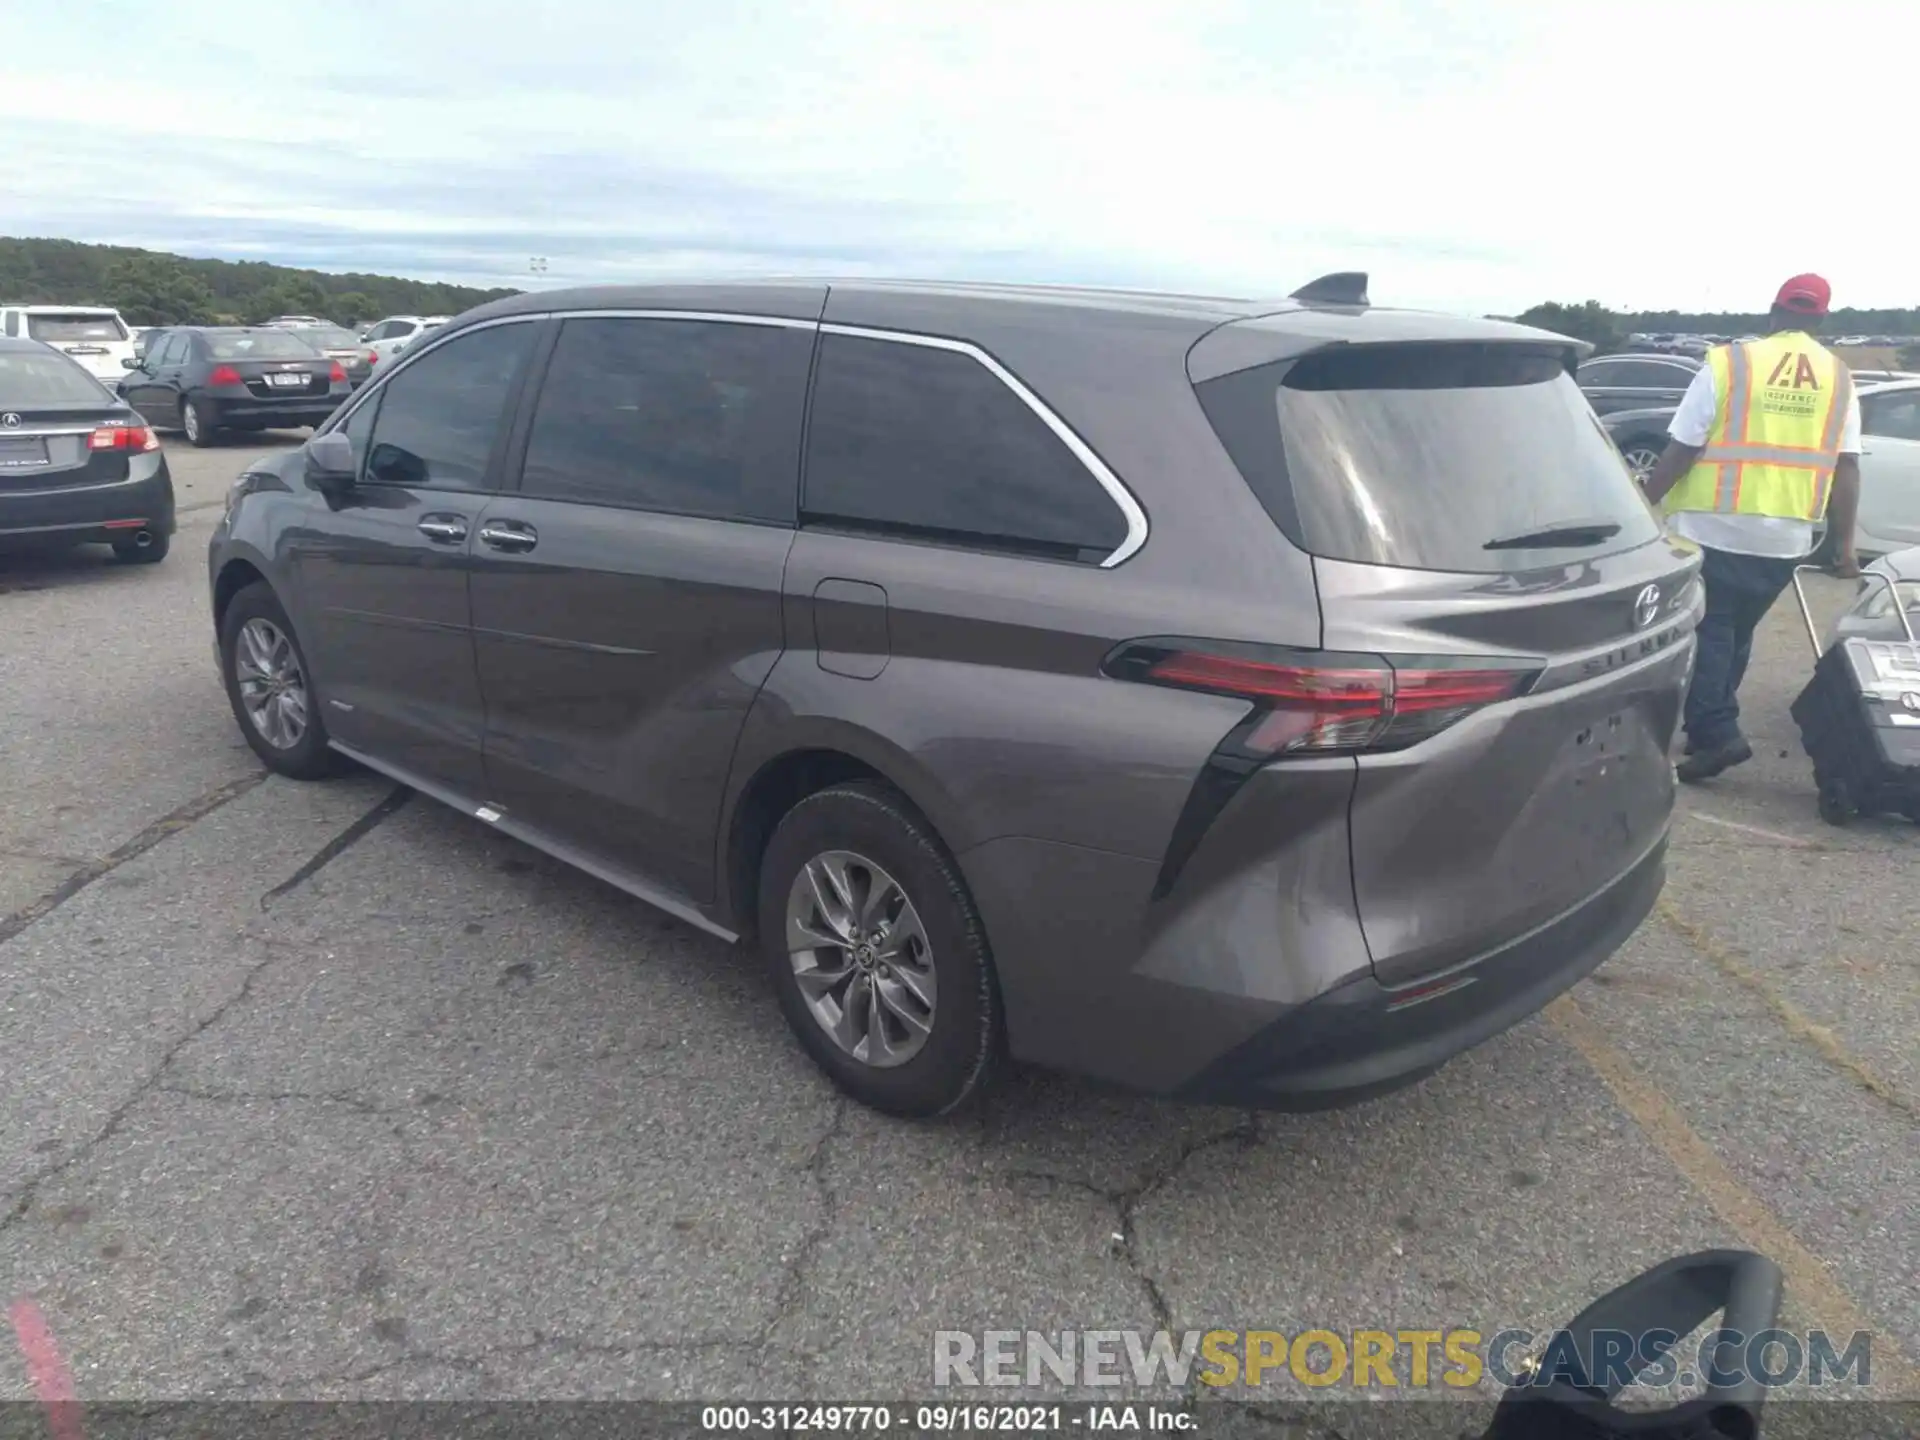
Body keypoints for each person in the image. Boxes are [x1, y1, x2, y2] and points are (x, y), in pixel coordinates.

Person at [1638, 274, 1862, 783]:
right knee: (1735, 633)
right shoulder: (1840, 377)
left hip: (1714, 523)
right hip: (1786, 533)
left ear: (1774, 311)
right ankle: (1706, 730)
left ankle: (1718, 731)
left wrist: (1643, 503)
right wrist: (1844, 546)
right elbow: (1847, 467)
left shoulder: (1730, 363)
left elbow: (1683, 445)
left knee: (1709, 630)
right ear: (1822, 319)